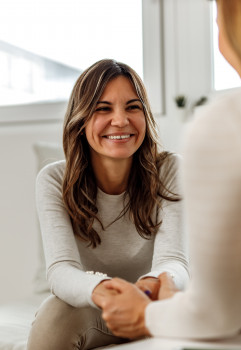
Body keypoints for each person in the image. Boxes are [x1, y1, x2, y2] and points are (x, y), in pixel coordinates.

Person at [93, 1, 241, 349]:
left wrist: (144, 315)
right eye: (103, 108)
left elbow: (217, 312)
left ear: (237, 31)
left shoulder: (232, 122)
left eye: (217, 20)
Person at [26, 59, 189, 350]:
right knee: (54, 315)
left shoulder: (169, 170)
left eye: (132, 107)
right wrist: (105, 291)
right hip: (96, 305)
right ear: (81, 119)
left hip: (155, 303)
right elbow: (61, 270)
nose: (120, 120)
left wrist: (147, 289)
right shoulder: (53, 180)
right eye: (103, 108)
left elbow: (173, 261)